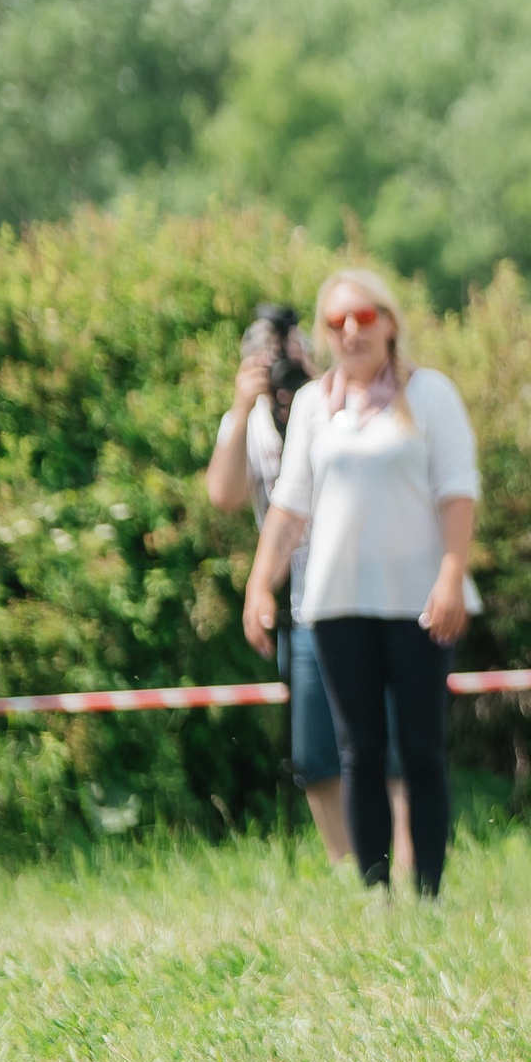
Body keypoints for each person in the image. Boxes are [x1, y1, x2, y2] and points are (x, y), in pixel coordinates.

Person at [243, 269, 481, 897]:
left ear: (390, 322)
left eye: (365, 317)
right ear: (324, 334)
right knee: (360, 754)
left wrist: (452, 576)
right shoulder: (317, 406)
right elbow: (290, 506)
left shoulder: (430, 396)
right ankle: (376, 892)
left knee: (422, 750)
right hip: (337, 603)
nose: (352, 330)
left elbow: (458, 492)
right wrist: (259, 585)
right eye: (337, 321)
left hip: (420, 602)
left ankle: (427, 893)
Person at [205, 306, 412, 874]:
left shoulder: (340, 405)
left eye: (297, 352)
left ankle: (403, 865)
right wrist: (242, 403)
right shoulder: (250, 422)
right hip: (303, 603)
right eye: (274, 358)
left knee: (386, 741)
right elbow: (222, 495)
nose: (287, 367)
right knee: (316, 752)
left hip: (370, 592)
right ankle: (352, 872)